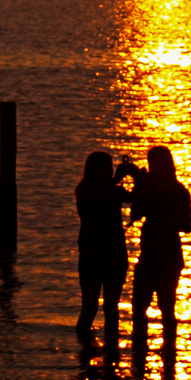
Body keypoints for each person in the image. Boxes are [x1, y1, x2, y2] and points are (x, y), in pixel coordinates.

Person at [128, 145, 191, 349]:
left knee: (166, 307)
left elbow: (186, 225)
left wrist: (160, 213)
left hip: (168, 256)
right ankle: (140, 351)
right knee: (139, 307)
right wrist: (140, 187)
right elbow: (135, 214)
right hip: (148, 255)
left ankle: (169, 350)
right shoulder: (150, 189)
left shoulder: (178, 191)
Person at [74, 151, 133, 352]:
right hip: (92, 255)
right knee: (89, 307)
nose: (109, 172)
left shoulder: (114, 191)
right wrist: (117, 178)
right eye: (106, 168)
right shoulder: (84, 190)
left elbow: (135, 198)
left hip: (114, 255)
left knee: (111, 307)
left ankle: (111, 351)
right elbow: (96, 196)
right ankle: (85, 350)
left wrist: (138, 177)